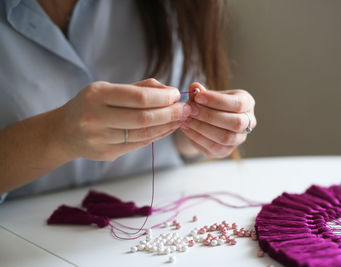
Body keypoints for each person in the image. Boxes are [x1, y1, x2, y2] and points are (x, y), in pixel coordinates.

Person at [0, 0, 257, 202]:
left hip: (160, 219)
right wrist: (55, 135)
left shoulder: (177, 5)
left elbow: (183, 140)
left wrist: (205, 129)